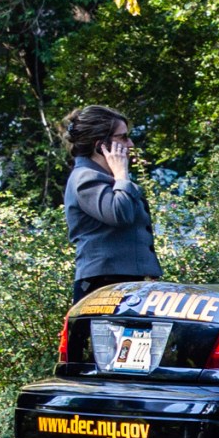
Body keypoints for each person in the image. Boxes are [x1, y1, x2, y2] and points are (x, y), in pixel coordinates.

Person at [61, 105, 161, 300]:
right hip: (102, 287)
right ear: (101, 145)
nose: (130, 144)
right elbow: (120, 214)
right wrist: (122, 174)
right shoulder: (85, 178)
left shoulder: (109, 179)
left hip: (125, 283)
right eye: (123, 137)